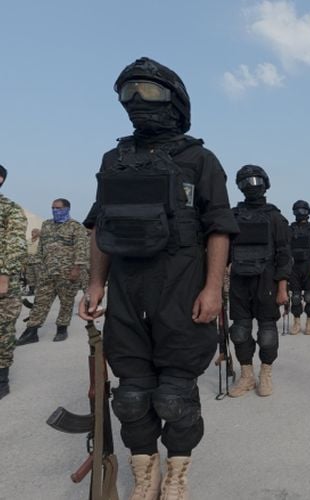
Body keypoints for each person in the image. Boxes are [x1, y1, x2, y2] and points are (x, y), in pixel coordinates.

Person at [79, 57, 239, 499]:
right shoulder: (115, 159)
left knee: (174, 394)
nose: (136, 100)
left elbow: (219, 229)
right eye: (128, 92)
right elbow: (99, 227)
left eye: (148, 91)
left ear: (174, 100)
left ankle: (176, 475)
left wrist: (213, 288)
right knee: (131, 395)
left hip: (182, 287)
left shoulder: (199, 159)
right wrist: (95, 283)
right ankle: (144, 473)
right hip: (128, 290)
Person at [226, 165, 291, 397]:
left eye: (255, 181)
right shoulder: (232, 216)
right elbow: (223, 252)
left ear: (265, 184)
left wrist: (282, 288)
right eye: (246, 182)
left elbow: (284, 255)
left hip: (267, 282)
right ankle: (246, 376)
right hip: (239, 282)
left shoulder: (275, 218)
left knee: (267, 334)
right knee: (239, 332)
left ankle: (265, 374)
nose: (251, 186)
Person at [16, 198, 88, 344]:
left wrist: (76, 268)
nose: (55, 211)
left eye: (58, 208)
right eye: (53, 208)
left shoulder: (75, 226)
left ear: (67, 209)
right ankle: (31, 331)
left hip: (67, 272)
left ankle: (62, 329)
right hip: (47, 272)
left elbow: (81, 249)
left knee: (66, 302)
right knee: (40, 301)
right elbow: (41, 248)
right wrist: (39, 266)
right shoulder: (46, 225)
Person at [0, 164, 28, 400]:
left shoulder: (10, 209)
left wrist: (4, 275)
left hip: (2, 279)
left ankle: (2, 379)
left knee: (2, 330)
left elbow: (16, 243)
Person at [288, 200, 310, 335]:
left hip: (309, 267)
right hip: (294, 267)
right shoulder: (290, 229)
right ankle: (296, 322)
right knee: (295, 297)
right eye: (297, 210)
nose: (299, 213)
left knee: (309, 297)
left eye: (302, 210)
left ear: (308, 212)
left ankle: (309, 322)